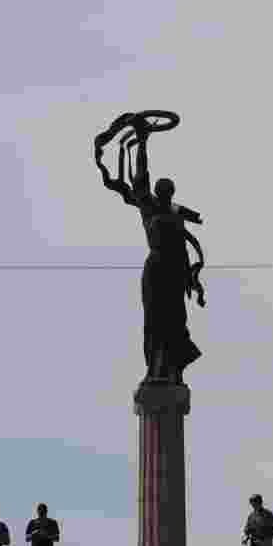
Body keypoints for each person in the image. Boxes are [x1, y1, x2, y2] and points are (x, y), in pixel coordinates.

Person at [96, 113, 206, 385]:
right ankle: (154, 368)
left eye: (166, 189)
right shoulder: (149, 207)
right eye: (161, 188)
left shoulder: (175, 215)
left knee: (175, 322)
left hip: (173, 271)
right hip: (156, 270)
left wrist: (191, 278)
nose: (163, 191)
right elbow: (140, 177)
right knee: (155, 321)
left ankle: (173, 369)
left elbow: (186, 248)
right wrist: (142, 143)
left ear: (170, 192)